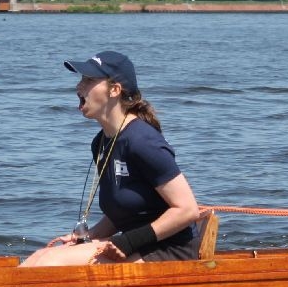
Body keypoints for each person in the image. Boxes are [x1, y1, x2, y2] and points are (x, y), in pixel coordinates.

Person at [21, 50, 199, 267]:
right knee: (40, 257)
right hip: (131, 246)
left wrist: (128, 242)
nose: (79, 87)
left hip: (170, 250)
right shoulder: (101, 143)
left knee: (49, 263)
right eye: (81, 80)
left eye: (88, 80)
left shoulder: (142, 141)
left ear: (114, 90)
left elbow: (187, 209)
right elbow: (124, 210)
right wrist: (89, 236)